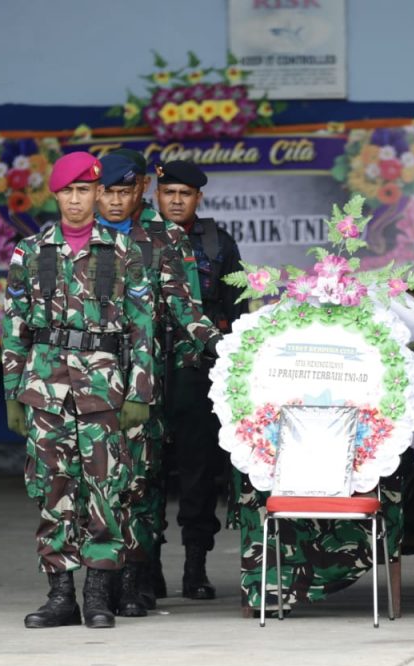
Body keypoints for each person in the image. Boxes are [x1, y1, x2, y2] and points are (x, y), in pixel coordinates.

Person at [2, 151, 155, 628]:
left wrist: (139, 394)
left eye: (84, 190)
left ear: (96, 193)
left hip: (103, 388)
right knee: (52, 488)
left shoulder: (123, 251)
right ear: (57, 195)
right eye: (67, 191)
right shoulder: (30, 252)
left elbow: (142, 327)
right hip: (45, 388)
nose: (75, 199)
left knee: (105, 489)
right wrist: (12, 391)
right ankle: (60, 595)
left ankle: (98, 594)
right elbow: (14, 327)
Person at [95, 153, 222, 615]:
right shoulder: (77, 241)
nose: (115, 199)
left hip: (161, 373)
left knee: (145, 480)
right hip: (95, 377)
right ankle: (102, 578)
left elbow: (187, 308)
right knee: (100, 480)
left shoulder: (166, 238)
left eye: (124, 190)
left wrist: (226, 349)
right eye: (106, 190)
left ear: (139, 189)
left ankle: (138, 578)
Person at [154, 160, 247, 599]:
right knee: (146, 473)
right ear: (155, 194)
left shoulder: (217, 242)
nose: (176, 200)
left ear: (198, 199)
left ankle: (196, 566)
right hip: (145, 372)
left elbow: (239, 313)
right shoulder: (137, 240)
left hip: (197, 374)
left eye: (184, 194)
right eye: (168, 192)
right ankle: (145, 567)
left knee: (197, 471)